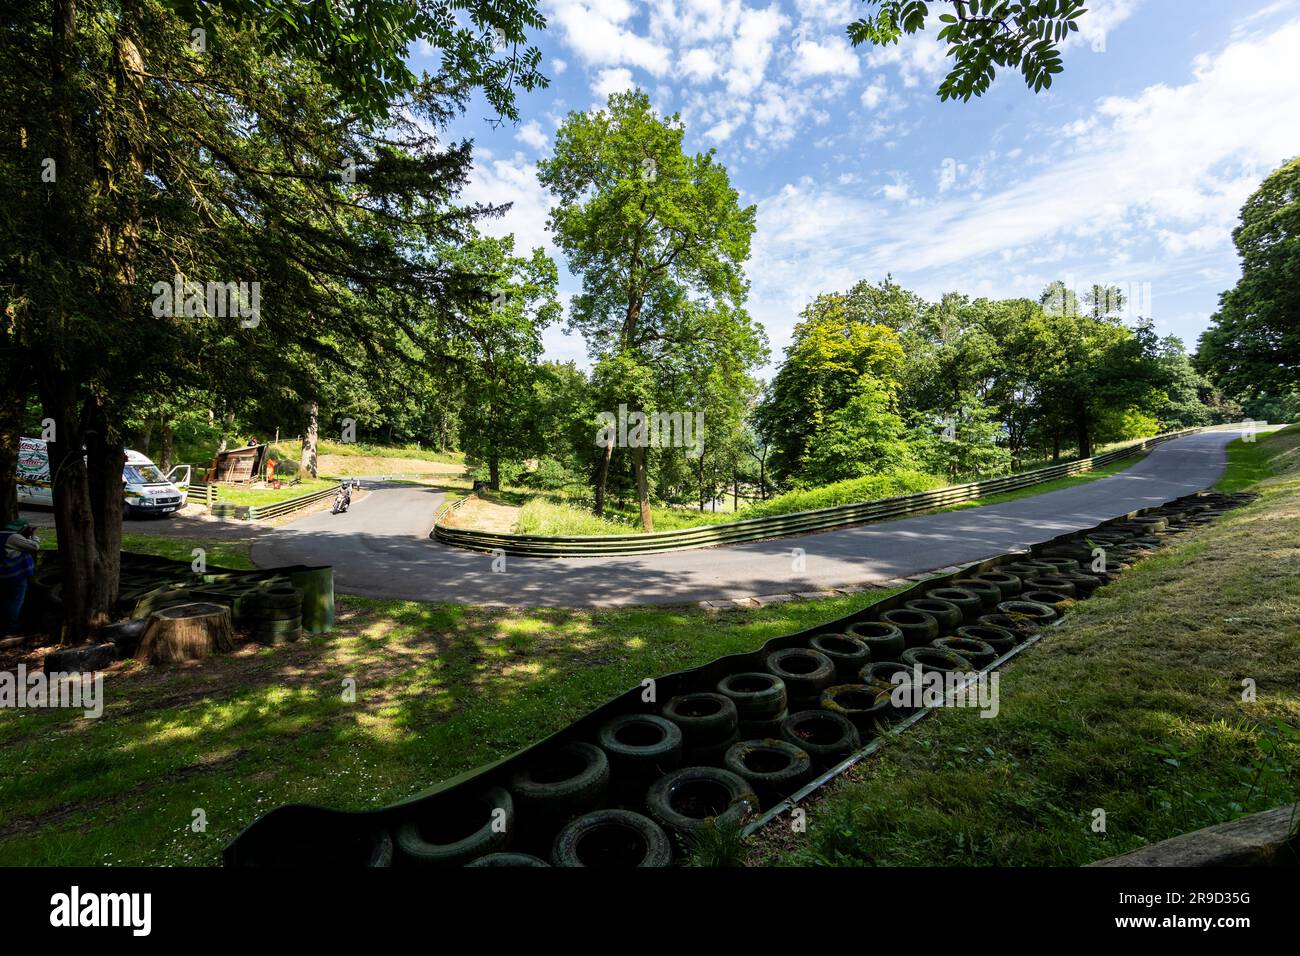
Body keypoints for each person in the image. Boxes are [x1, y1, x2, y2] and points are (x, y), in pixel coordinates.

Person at [0, 519, 40, 636]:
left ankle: (4, 627)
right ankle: (11, 629)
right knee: (15, 602)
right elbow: (34, 546)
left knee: (5, 602)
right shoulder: (13, 537)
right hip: (14, 575)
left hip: (3, 574)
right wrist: (33, 536)